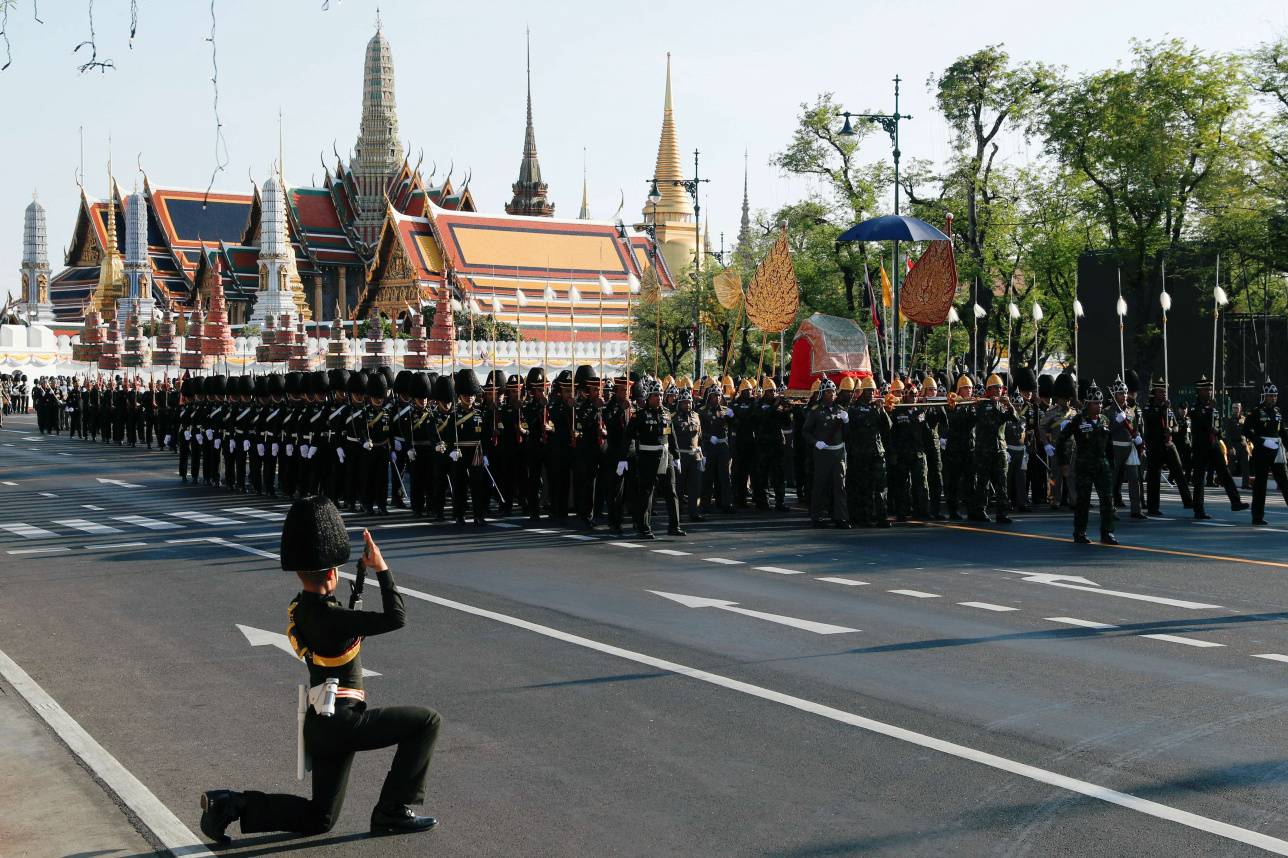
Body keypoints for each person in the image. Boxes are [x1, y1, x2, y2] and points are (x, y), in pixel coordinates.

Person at [198, 498, 440, 841]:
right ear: (331, 572)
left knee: (320, 817)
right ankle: (393, 811)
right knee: (427, 722)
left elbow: (338, 621)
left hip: (319, 720)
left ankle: (230, 805)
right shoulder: (333, 617)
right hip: (344, 721)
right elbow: (396, 617)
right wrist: (381, 568)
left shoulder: (301, 609)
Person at [1058, 381, 1118, 545]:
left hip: (1102, 464)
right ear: (1088, 403)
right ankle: (1080, 532)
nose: (1098, 406)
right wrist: (1063, 462)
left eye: (1100, 403)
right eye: (1095, 403)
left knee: (1107, 499)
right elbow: (1062, 439)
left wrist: (1111, 465)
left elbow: (1109, 444)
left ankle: (1107, 533)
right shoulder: (1078, 419)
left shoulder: (1105, 420)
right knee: (1083, 501)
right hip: (1084, 465)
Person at [1189, 376, 1247, 519]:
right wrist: (1210, 410)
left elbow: (1217, 426)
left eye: (1210, 389)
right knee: (1199, 478)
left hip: (1213, 444)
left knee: (1224, 472)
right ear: (1199, 391)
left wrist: (1218, 431)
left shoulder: (1212, 407)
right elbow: (1199, 424)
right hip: (1200, 446)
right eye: (1206, 390)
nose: (1209, 392)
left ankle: (1235, 501)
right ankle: (1198, 509)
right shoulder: (1195, 407)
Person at [802, 378, 849, 527]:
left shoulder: (841, 410)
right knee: (820, 485)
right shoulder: (815, 411)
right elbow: (805, 431)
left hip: (838, 453)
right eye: (829, 391)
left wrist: (847, 421)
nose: (832, 394)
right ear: (822, 393)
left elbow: (848, 434)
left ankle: (840, 517)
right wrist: (816, 442)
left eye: (834, 391)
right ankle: (817, 517)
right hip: (823, 453)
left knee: (840, 486)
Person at [1243, 380, 1288, 526]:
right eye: (1270, 396)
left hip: (1276, 449)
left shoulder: (1277, 412)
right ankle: (1257, 517)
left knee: (1285, 482)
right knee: (1260, 485)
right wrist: (1260, 441)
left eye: (1275, 396)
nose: (1273, 398)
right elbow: (1246, 430)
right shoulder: (1255, 411)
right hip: (1262, 451)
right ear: (1264, 396)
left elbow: (1282, 432)